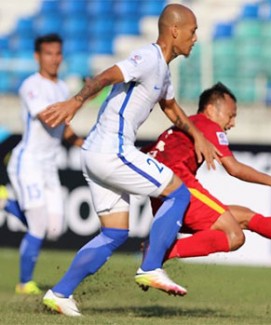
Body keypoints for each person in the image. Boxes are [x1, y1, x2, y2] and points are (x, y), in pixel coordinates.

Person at [40, 4, 220, 317]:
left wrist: (198, 136)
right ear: (174, 31)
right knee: (178, 193)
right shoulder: (148, 58)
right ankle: (151, 266)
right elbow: (107, 75)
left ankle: (60, 293)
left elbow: (172, 108)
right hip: (112, 150)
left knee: (114, 233)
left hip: (95, 154)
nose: (195, 38)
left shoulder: (163, 70)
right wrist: (76, 101)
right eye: (192, 31)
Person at [141, 82, 271, 265]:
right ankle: (160, 252)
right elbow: (234, 168)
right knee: (234, 236)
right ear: (211, 109)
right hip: (178, 185)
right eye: (231, 115)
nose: (233, 123)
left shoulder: (178, 129)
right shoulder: (206, 124)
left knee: (245, 217)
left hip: (160, 194)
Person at [5, 33, 84, 295]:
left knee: (53, 229)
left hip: (49, 167)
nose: (54, 59)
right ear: (37, 56)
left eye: (58, 53)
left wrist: (86, 144)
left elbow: (65, 129)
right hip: (28, 162)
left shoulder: (62, 88)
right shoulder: (31, 85)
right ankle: (24, 283)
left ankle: (6, 202)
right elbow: (50, 118)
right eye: (49, 53)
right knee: (37, 224)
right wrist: (83, 98)